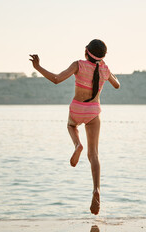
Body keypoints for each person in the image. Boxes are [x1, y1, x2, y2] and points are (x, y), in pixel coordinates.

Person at [29, 39, 120, 215]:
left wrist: (38, 67)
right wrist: (105, 67)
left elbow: (56, 79)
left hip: (78, 108)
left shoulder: (78, 65)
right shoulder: (105, 69)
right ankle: (96, 189)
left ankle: (77, 144)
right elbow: (117, 85)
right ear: (102, 56)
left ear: (86, 51)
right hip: (94, 112)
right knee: (94, 155)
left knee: (71, 125)